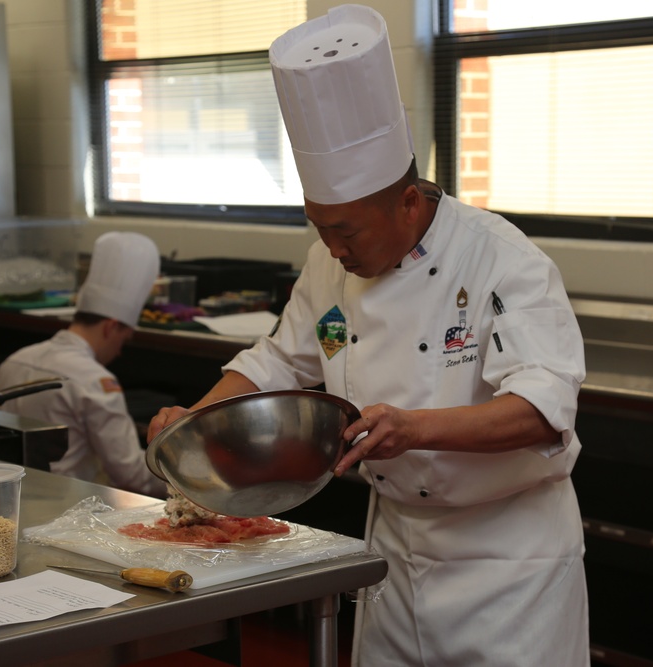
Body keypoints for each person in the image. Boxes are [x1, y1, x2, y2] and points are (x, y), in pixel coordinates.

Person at [148, 5, 589, 665]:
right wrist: (193, 423)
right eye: (318, 226)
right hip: (392, 556)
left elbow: (540, 410)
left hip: (506, 570)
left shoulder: (501, 259)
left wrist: (412, 428)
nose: (331, 247)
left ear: (407, 201)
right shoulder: (329, 262)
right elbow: (276, 361)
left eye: (346, 230)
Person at [0, 231, 166, 497]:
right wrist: (191, 484)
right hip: (67, 508)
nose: (119, 352)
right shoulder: (94, 381)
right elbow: (130, 475)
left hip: (6, 498)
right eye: (123, 340)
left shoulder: (14, 359)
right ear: (111, 327)